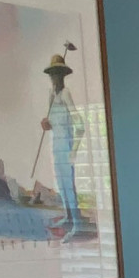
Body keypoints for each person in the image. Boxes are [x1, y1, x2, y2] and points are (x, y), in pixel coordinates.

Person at [41, 43, 83, 233]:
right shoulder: (51, 94)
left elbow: (80, 125)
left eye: (57, 74)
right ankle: (68, 217)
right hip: (56, 146)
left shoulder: (65, 94)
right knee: (61, 184)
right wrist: (45, 124)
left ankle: (77, 223)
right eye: (52, 75)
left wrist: (73, 151)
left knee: (69, 184)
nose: (54, 78)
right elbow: (51, 122)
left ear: (62, 75)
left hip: (66, 146)